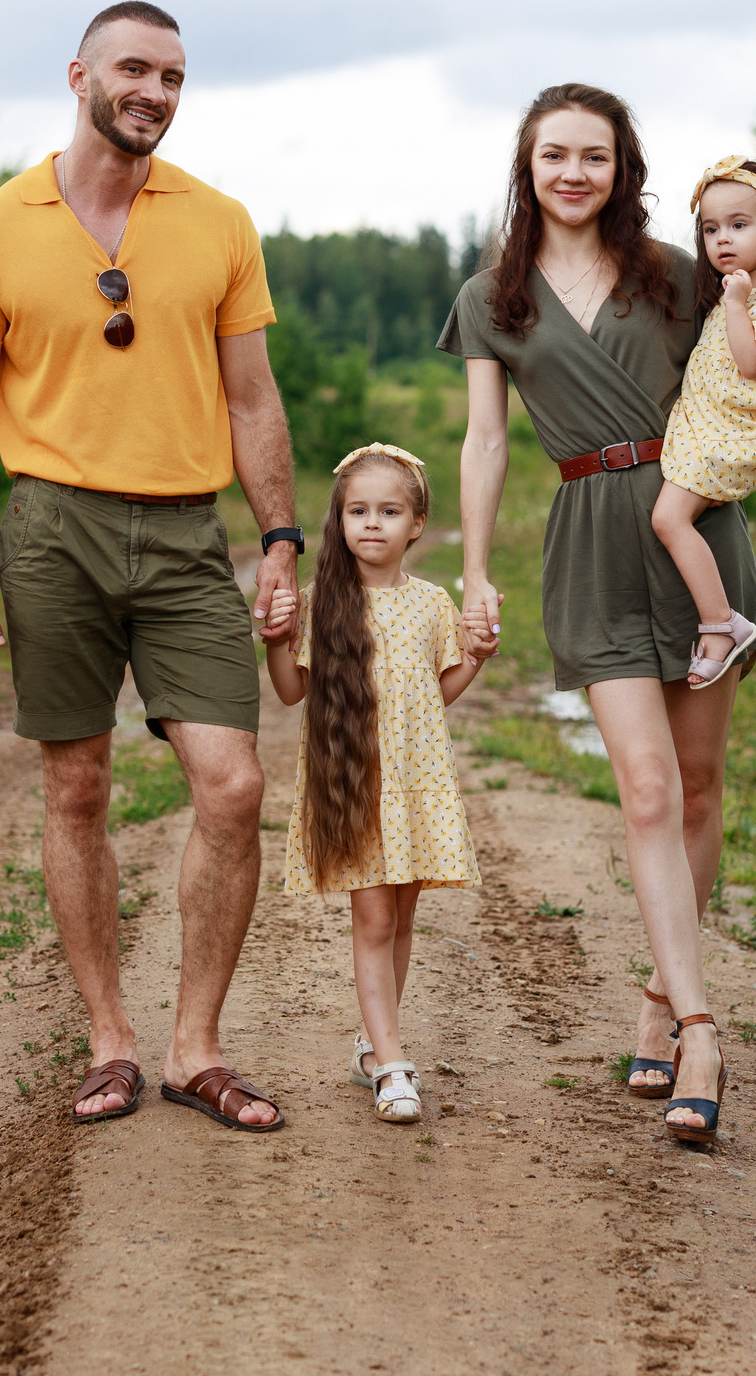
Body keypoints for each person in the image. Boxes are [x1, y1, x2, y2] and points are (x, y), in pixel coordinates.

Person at [0, 0, 301, 1133]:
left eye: (174, 77)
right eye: (134, 69)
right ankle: (109, 1041)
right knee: (76, 783)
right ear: (80, 73)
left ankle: (196, 1047)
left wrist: (282, 540)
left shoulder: (220, 222)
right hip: (50, 528)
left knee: (232, 786)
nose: (155, 91)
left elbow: (252, 397)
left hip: (189, 533)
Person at [438, 83, 756, 1145]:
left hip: (693, 528)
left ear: (622, 169)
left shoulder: (674, 275)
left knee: (700, 786)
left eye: (595, 156)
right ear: (526, 169)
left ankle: (659, 1001)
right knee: (644, 787)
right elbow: (486, 441)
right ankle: (705, 1032)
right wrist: (474, 571)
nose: (574, 173)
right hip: (587, 535)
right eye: (554, 156)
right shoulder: (492, 297)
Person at [261, 443, 493, 1124]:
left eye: (388, 511)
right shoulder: (322, 602)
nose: (371, 524)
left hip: (416, 782)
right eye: (357, 511)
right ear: (339, 519)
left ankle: (370, 1042)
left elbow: (436, 691)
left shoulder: (430, 604)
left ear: (416, 523)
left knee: (402, 916)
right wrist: (277, 639)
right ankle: (394, 1064)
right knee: (374, 916)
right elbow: (287, 692)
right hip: (353, 780)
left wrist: (475, 656)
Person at [651, 156, 756, 689]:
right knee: (670, 519)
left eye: (739, 225)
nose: (722, 239)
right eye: (710, 229)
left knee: (668, 520)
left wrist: (738, 305)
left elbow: (750, 363)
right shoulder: (736, 293)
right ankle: (720, 621)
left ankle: (723, 625)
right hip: (708, 425)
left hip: (734, 433)